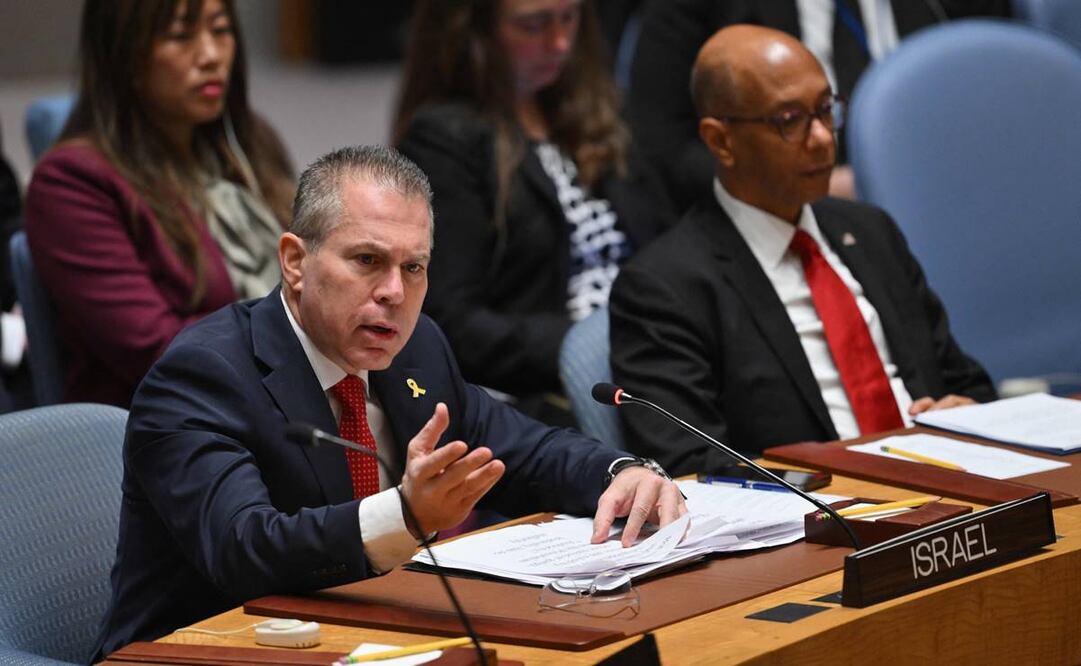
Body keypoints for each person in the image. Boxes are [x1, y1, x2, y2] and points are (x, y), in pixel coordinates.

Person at [93, 145, 686, 659]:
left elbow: (520, 449)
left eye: (415, 267)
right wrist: (403, 516)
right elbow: (243, 549)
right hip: (197, 652)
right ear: (296, 262)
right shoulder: (204, 373)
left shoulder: (416, 346)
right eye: (368, 261)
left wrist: (623, 472)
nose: (395, 293)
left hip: (365, 637)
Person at [609, 25, 996, 476]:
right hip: (825, 519)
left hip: (951, 486)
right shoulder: (664, 288)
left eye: (825, 110)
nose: (822, 138)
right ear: (720, 140)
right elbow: (690, 465)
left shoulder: (870, 232)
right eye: (789, 120)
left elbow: (967, 382)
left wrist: (964, 412)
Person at [393, 0, 674, 424]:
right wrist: (595, 342)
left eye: (569, 18)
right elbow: (451, 321)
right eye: (533, 25)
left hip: (651, 358)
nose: (560, 43)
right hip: (545, 393)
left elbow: (665, 245)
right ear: (478, 32)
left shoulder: (600, 109)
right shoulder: (445, 138)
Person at [24, 0, 293, 407]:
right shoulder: (72, 182)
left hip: (285, 400)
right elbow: (156, 349)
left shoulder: (252, 144)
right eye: (181, 36)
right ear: (124, 54)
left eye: (221, 31)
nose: (211, 55)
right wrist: (309, 335)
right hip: (177, 425)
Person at [627, 0, 1011, 212]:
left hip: (952, 198)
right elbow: (662, 144)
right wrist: (791, 188)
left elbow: (1007, 95)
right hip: (781, 218)